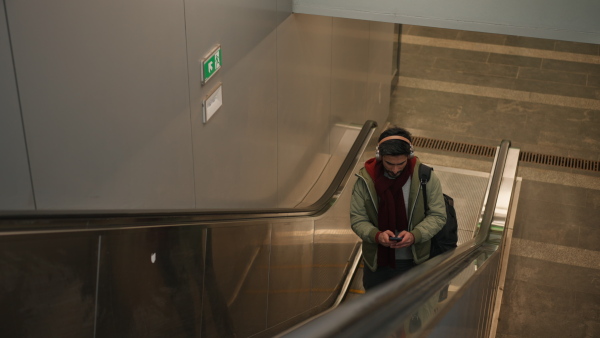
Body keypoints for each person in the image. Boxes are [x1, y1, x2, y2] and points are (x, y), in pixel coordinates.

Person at [350, 127, 447, 290]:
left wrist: (416, 235)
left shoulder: (425, 177)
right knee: (374, 308)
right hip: (377, 263)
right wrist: (377, 235)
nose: (395, 169)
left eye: (401, 164)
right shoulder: (365, 180)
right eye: (389, 163)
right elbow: (358, 218)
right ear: (379, 156)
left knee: (410, 308)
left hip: (414, 261)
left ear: (409, 156)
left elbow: (438, 215)